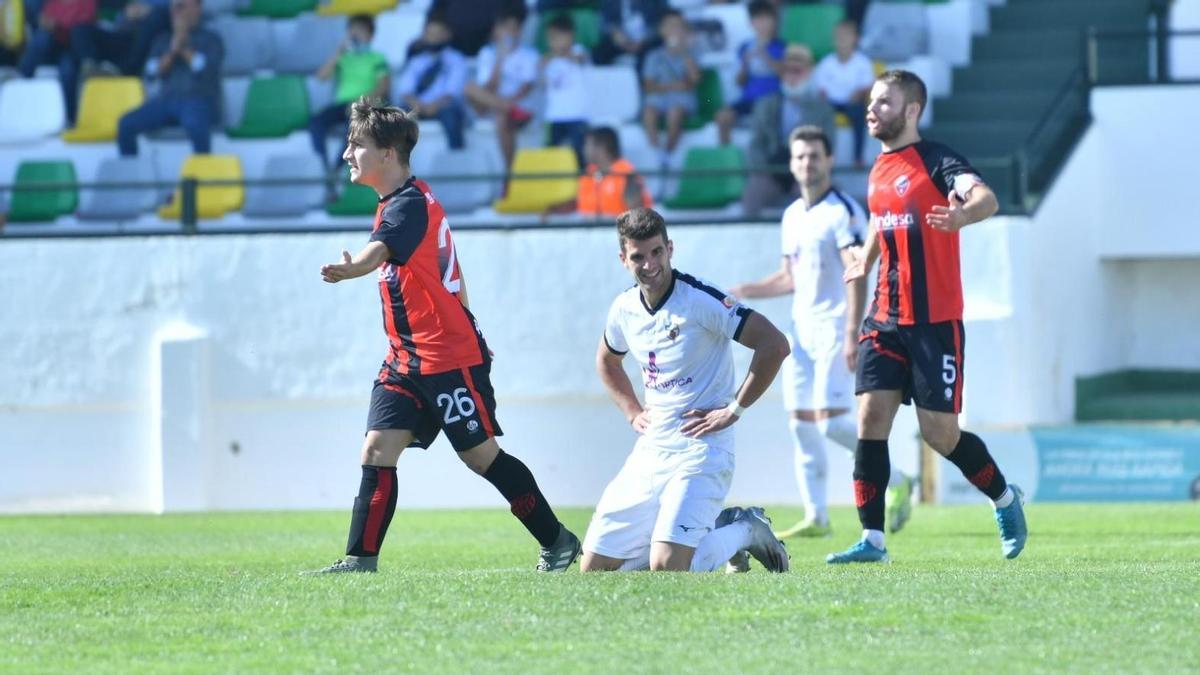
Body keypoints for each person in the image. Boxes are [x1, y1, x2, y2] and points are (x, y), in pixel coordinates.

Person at [310, 99, 582, 574]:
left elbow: (378, 253)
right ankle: (360, 561)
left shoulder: (409, 205)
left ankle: (558, 541)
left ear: (389, 153)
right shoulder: (404, 202)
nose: (347, 155)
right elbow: (449, 279)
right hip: (405, 359)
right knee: (377, 448)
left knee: (482, 458)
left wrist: (352, 269)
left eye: (357, 145)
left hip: (445, 359)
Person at [829, 70, 1028, 564]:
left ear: (912, 110)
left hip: (935, 322)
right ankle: (873, 541)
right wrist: (867, 259)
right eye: (871, 101)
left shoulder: (938, 160)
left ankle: (1004, 497)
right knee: (870, 418)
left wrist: (961, 216)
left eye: (884, 102)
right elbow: (881, 215)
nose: (872, 109)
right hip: (885, 317)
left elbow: (986, 198)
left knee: (940, 434)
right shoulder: (877, 167)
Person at [581, 207, 792, 574]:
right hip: (652, 449)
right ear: (623, 259)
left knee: (668, 569)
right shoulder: (624, 309)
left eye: (656, 252)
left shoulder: (700, 299)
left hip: (702, 448)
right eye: (638, 256)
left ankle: (744, 531)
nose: (649, 264)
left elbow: (774, 344)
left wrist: (733, 411)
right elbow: (606, 361)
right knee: (595, 569)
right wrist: (632, 411)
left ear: (670, 249)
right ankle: (714, 534)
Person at [731, 125, 914, 540]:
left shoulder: (843, 210)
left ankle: (899, 478)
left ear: (829, 160)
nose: (807, 163)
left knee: (831, 424)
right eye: (800, 156)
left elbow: (858, 268)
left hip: (835, 327)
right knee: (800, 424)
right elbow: (789, 277)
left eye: (814, 155)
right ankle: (817, 516)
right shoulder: (793, 215)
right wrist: (744, 291)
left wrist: (853, 331)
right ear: (792, 164)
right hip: (800, 331)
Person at [116, 0, 222, 156]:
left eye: (181, 6)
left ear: (197, 8)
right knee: (126, 124)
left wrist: (184, 47)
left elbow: (206, 70)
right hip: (166, 100)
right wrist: (173, 50)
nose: (175, 12)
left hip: (199, 100)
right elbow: (152, 72)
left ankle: (202, 173)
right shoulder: (163, 40)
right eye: (172, 8)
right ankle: (133, 172)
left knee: (196, 124)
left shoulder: (211, 39)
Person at [742, 44, 834, 218]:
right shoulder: (765, 105)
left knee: (814, 195)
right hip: (771, 169)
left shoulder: (822, 109)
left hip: (808, 169)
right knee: (753, 193)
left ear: (808, 73)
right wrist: (764, 170)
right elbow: (755, 145)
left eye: (796, 71)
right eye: (786, 71)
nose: (791, 76)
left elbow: (828, 146)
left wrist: (808, 170)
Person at [308, 14, 389, 172]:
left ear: (371, 35)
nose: (356, 34)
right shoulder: (344, 58)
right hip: (342, 104)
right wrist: (339, 51)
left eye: (361, 30)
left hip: (365, 105)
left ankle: (337, 169)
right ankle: (322, 165)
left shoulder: (377, 58)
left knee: (353, 127)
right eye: (353, 30)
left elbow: (383, 87)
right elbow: (321, 76)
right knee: (316, 122)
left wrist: (361, 103)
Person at [464, 5, 538, 171]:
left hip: (517, 107)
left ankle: (509, 170)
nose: (510, 33)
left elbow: (526, 88)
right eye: (506, 28)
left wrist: (508, 102)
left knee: (501, 116)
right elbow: (488, 88)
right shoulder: (487, 53)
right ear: (497, 29)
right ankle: (506, 108)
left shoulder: (529, 54)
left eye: (514, 29)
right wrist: (499, 61)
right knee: (468, 87)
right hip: (493, 104)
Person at [542, 125, 652, 219]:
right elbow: (580, 202)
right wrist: (554, 209)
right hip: (589, 234)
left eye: (587, 144)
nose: (583, 149)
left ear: (601, 148)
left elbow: (638, 217)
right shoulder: (590, 172)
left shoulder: (626, 175)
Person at [714, 0, 784, 147]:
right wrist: (745, 65)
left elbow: (785, 75)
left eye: (767, 19)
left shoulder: (782, 46)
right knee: (722, 117)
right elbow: (739, 82)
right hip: (749, 99)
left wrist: (766, 57)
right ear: (751, 23)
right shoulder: (744, 48)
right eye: (758, 19)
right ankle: (727, 158)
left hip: (773, 99)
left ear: (774, 22)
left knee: (763, 115)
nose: (763, 24)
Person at [395, 11, 468, 150]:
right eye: (430, 34)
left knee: (452, 115)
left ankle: (456, 161)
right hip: (417, 107)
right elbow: (406, 91)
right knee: (394, 117)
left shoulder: (456, 59)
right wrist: (419, 106)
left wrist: (433, 107)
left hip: (444, 107)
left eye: (438, 34)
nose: (434, 38)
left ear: (447, 35)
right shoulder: (416, 61)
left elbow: (452, 92)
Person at [17, 0, 94, 123]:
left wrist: (57, 25)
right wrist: (47, 23)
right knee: (42, 37)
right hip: (51, 47)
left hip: (72, 48)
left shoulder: (87, 2)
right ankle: (21, 81)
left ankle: (70, 118)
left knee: (67, 71)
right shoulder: (53, 2)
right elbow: (45, 20)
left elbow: (83, 25)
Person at [639, 9, 699, 168]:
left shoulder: (691, 53)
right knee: (648, 112)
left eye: (679, 27)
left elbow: (695, 80)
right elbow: (648, 85)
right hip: (659, 97)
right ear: (662, 31)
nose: (675, 31)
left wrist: (685, 53)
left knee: (675, 112)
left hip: (682, 100)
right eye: (671, 26)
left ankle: (668, 152)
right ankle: (656, 151)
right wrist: (674, 86)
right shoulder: (653, 56)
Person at [813, 20, 875, 167]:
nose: (842, 39)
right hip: (830, 103)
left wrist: (858, 94)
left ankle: (857, 158)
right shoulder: (825, 63)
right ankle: (823, 157)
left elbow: (867, 87)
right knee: (818, 113)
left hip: (853, 103)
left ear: (855, 38)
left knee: (860, 113)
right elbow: (821, 90)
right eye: (838, 35)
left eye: (846, 35)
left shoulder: (863, 62)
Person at [72, 0, 171, 79]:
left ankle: (122, 72)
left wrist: (149, 10)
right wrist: (126, 13)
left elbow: (178, 8)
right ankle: (92, 66)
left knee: (153, 19)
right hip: (121, 31)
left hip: (145, 38)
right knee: (80, 29)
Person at [540, 13, 589, 167]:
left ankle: (584, 187)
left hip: (577, 114)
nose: (553, 42)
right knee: (552, 154)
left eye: (557, 37)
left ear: (570, 36)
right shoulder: (549, 61)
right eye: (550, 38)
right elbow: (543, 84)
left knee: (580, 154)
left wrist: (558, 54)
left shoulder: (579, 51)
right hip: (554, 116)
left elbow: (579, 59)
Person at [593, 0, 667, 67]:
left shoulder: (656, 2)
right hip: (620, 40)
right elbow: (604, 21)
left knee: (656, 47)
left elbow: (663, 22)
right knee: (599, 52)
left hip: (647, 41)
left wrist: (644, 40)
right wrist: (614, 32)